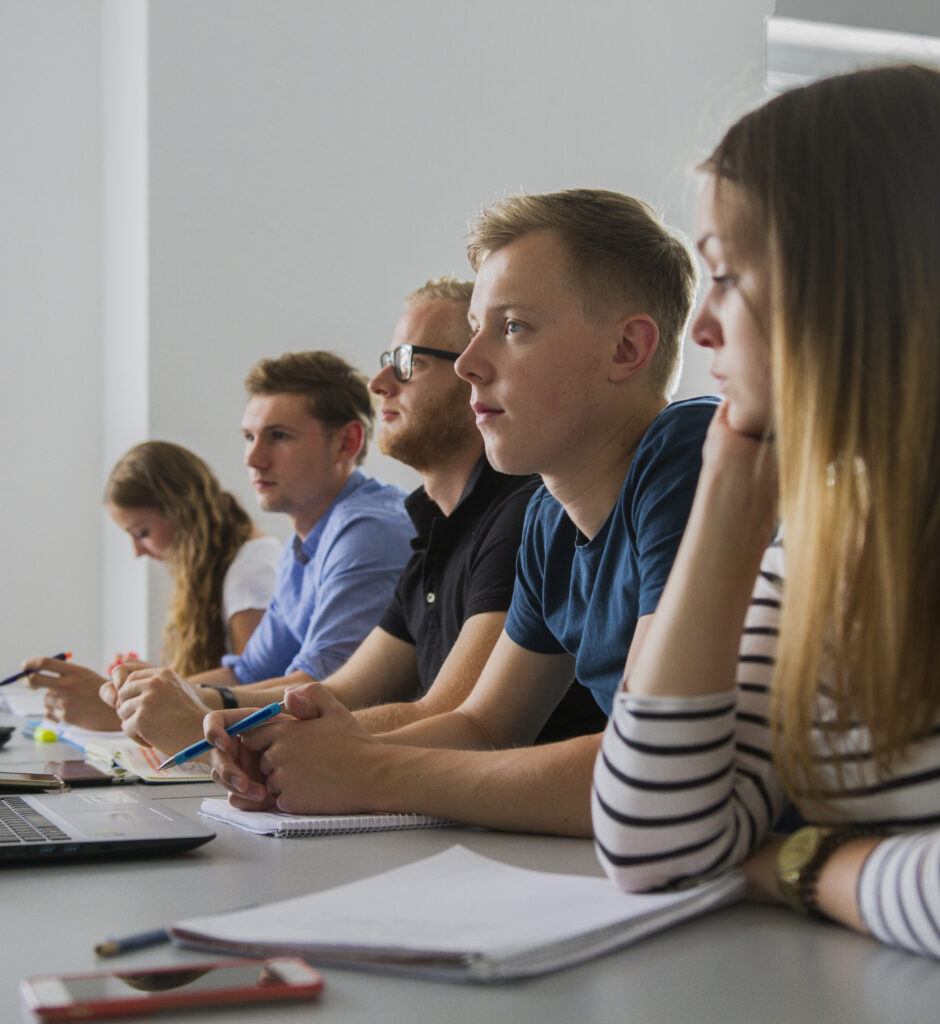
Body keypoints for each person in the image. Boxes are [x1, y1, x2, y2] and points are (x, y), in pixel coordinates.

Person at [591, 64, 940, 978]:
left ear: (856, 279)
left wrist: (801, 863)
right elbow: (650, 846)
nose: (699, 327)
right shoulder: (832, 527)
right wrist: (727, 501)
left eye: (724, 275)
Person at [202, 188, 716, 837]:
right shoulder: (547, 519)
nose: (470, 364)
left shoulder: (690, 453)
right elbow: (485, 724)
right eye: (476, 329)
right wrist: (296, 760)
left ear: (625, 350)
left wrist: (366, 773)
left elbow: (653, 769)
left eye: (513, 327)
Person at [103, 278, 602, 754]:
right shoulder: (433, 530)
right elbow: (345, 689)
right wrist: (200, 705)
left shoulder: (519, 514)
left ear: (473, 376)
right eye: (388, 360)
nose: (379, 382)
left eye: (409, 362)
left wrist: (221, 727)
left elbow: (454, 715)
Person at [30, 351, 414, 734]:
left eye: (279, 436)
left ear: (347, 443)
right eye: (249, 436)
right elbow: (247, 671)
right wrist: (133, 696)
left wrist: (136, 710)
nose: (253, 458)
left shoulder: (368, 531)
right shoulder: (302, 545)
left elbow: (321, 692)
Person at [24, 441, 280, 729]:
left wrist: (131, 700)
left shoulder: (252, 570)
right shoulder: (229, 564)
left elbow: (252, 685)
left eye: (142, 532)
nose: (137, 551)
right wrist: (147, 679)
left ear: (181, 510)